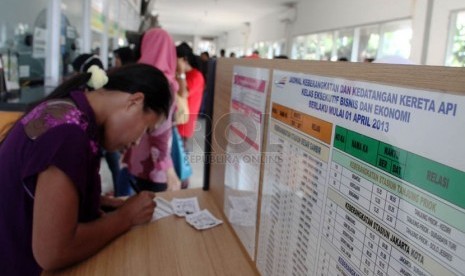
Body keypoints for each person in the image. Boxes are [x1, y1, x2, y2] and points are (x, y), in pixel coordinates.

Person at [0, 63, 171, 275]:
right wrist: (126, 217)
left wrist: (93, 201)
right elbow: (53, 252)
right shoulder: (69, 135)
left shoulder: (66, 108)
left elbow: (33, 190)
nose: (137, 142)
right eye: (146, 129)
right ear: (134, 102)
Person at [122, 28, 181, 192]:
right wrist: (168, 169)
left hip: (135, 159)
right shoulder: (163, 84)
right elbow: (160, 131)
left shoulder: (134, 78)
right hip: (154, 167)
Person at [72, 54, 125, 196]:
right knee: (114, 168)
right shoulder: (107, 86)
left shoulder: (78, 95)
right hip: (104, 136)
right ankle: (119, 195)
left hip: (97, 137)